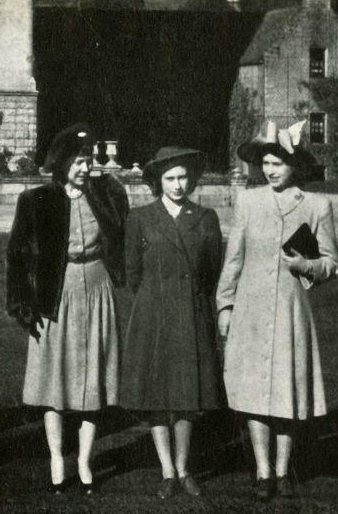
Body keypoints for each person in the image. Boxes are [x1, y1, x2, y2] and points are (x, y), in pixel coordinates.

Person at [217, 120, 338, 501]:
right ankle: (263, 471)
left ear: (294, 167)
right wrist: (225, 305)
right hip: (250, 312)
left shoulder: (317, 205)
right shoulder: (249, 201)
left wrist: (306, 266)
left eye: (278, 164)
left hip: (290, 311)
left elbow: (332, 263)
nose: (270, 170)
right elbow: (233, 259)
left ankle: (285, 471)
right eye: (266, 163)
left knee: (287, 390)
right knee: (254, 392)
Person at [6, 124, 127, 495]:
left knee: (94, 380)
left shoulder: (105, 194)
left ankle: (86, 460)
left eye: (87, 160)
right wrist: (22, 303)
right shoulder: (36, 199)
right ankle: (57, 456)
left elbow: (121, 234)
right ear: (61, 165)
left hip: (98, 288)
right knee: (54, 380)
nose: (84, 168)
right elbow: (17, 254)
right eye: (77, 162)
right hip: (54, 295)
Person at [119, 147, 223, 499]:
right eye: (170, 179)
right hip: (152, 315)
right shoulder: (140, 218)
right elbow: (132, 272)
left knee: (186, 395)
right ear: (157, 182)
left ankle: (184, 467)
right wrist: (155, 299)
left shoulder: (206, 217)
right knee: (156, 396)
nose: (178, 185)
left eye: (183, 178)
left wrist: (190, 299)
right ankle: (166, 469)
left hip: (191, 313)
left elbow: (211, 270)